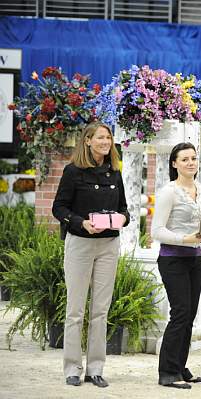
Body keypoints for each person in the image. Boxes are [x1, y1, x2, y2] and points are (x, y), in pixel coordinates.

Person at [52, 122, 130, 388]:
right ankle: (72, 369)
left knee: (100, 311)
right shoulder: (73, 172)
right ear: (87, 141)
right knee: (75, 311)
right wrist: (80, 222)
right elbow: (58, 207)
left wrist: (122, 219)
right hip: (80, 244)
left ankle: (95, 369)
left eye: (108, 137)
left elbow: (125, 209)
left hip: (109, 245)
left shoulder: (115, 172)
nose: (105, 142)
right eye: (100, 137)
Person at [151, 142, 201, 389]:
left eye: (193, 158)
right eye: (184, 159)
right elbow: (156, 231)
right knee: (180, 313)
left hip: (194, 258)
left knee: (189, 316)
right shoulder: (168, 192)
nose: (191, 163)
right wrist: (185, 239)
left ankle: (180, 368)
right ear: (174, 164)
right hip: (172, 258)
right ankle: (167, 372)